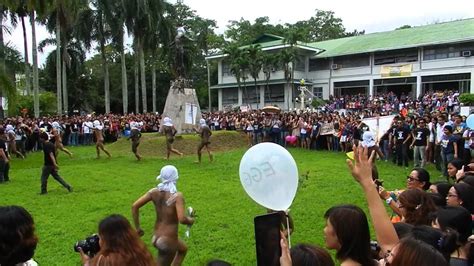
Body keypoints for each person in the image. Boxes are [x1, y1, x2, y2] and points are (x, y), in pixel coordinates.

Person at [132, 165, 194, 266]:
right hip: (168, 239)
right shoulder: (177, 196)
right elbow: (182, 219)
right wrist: (191, 220)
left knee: (183, 249)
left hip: (156, 236)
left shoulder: (153, 192)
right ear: (175, 177)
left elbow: (134, 206)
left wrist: (138, 228)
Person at [78, 214, 155, 266]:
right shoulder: (140, 252)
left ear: (107, 240)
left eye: (100, 237)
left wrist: (87, 263)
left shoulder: (106, 260)